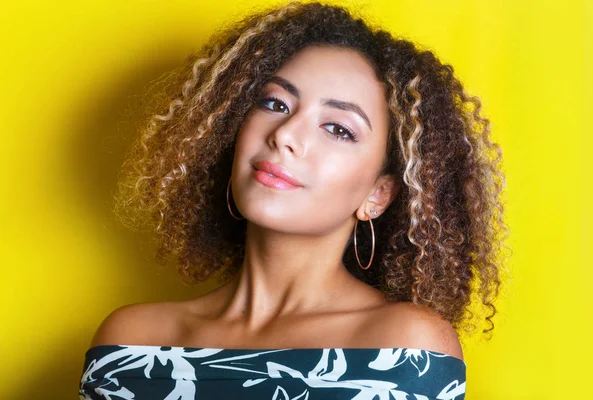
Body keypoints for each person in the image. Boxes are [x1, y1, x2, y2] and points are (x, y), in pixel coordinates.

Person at [79, 1, 507, 399]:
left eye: (338, 128)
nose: (284, 135)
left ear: (377, 195)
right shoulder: (131, 340)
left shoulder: (403, 345)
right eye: (275, 103)